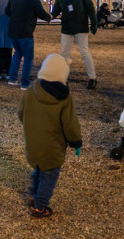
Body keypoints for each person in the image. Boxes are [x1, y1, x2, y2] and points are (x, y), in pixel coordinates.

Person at [17, 54, 82, 218]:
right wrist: (76, 142)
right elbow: (70, 124)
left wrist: (30, 127)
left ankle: (32, 196)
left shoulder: (32, 89)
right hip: (52, 146)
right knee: (49, 175)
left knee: (38, 169)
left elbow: (21, 112)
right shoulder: (64, 98)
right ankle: (40, 206)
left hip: (33, 142)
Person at [51, 0, 98, 90]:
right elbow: (56, 8)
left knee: (84, 52)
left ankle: (92, 78)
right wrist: (50, 16)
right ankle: (63, 78)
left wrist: (94, 23)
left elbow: (89, 7)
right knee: (64, 54)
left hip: (80, 26)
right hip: (66, 27)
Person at [5, 0, 52, 89]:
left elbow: (7, 12)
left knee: (17, 53)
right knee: (28, 57)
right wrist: (49, 17)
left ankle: (12, 78)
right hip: (26, 31)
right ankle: (25, 83)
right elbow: (41, 13)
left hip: (13, 30)